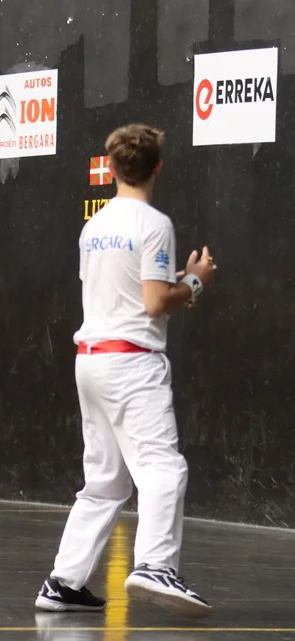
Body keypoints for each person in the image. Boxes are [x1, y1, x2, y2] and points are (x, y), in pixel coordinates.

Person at [35, 124, 217, 616]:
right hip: (132, 365)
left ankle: (63, 581)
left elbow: (122, 290)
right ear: (158, 167)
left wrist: (175, 284)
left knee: (105, 482)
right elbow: (154, 302)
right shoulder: (154, 224)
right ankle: (155, 565)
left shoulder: (93, 228)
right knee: (163, 468)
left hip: (92, 361)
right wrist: (196, 283)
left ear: (112, 168)